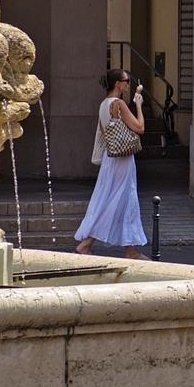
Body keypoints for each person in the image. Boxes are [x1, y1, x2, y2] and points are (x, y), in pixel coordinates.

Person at [76, 69, 149, 258]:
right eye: (126, 81)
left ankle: (130, 249)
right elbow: (139, 128)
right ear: (118, 83)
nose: (128, 84)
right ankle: (88, 245)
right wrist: (139, 105)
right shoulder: (119, 103)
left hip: (111, 157)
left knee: (113, 199)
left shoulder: (103, 104)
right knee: (123, 199)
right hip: (122, 159)